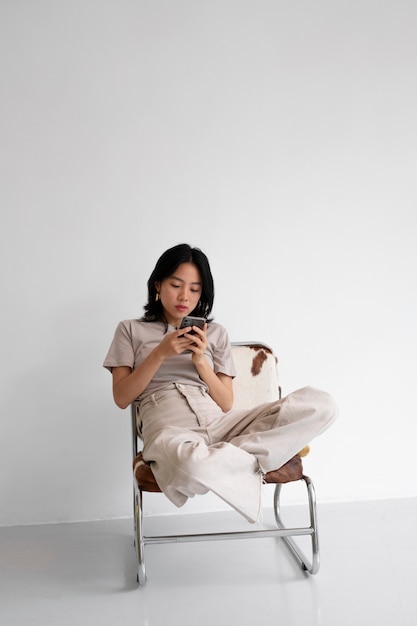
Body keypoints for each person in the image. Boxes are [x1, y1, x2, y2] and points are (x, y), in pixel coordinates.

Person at [103, 243, 337, 523]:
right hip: (169, 428)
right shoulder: (130, 330)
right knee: (189, 462)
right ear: (157, 285)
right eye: (176, 285)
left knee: (321, 405)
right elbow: (121, 397)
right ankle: (259, 453)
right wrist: (160, 353)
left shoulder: (215, 334)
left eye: (194, 289)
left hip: (221, 424)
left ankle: (227, 456)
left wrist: (201, 361)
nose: (184, 296)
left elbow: (226, 402)